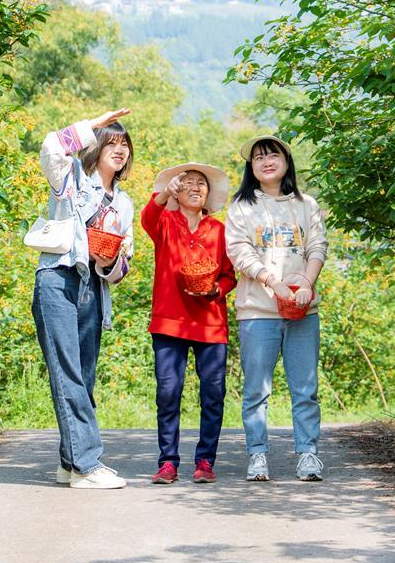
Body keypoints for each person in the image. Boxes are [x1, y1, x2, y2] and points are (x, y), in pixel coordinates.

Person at [33, 109, 135, 489]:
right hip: (59, 278)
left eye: (125, 145)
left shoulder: (124, 204)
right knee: (68, 374)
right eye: (112, 142)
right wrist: (94, 124)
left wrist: (110, 261)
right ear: (96, 146)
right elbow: (50, 147)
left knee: (84, 377)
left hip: (94, 287)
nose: (120, 150)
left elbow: (124, 263)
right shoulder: (72, 176)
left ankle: (68, 462)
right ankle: (86, 465)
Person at [225, 135, 329, 482]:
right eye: (258, 158)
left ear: (286, 161)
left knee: (305, 387)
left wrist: (307, 285)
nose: (266, 162)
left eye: (272, 155)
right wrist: (274, 282)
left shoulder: (306, 205)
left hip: (303, 311)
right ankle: (257, 455)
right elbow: (239, 251)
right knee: (257, 389)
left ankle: (308, 454)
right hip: (258, 311)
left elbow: (317, 246)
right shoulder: (242, 206)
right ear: (251, 168)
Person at [140, 162, 236, 484]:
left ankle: (205, 461)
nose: (195, 187)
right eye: (187, 183)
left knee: (214, 392)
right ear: (177, 191)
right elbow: (146, 217)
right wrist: (163, 194)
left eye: (201, 184)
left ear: (208, 194)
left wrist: (217, 289)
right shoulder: (165, 222)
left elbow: (228, 274)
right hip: (169, 321)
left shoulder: (220, 231)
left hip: (210, 321)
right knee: (168, 390)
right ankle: (168, 462)